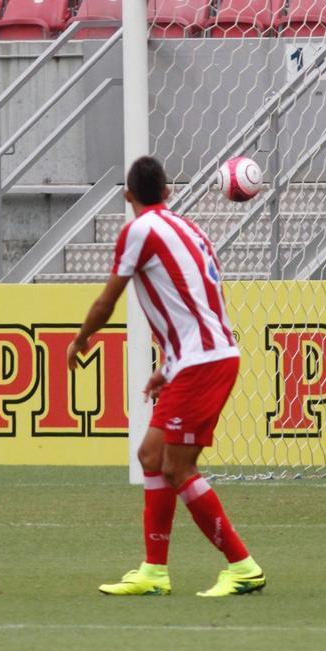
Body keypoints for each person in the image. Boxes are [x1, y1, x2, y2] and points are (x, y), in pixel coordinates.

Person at [68, 155, 265, 598]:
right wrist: (169, 366)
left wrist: (80, 339)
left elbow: (107, 300)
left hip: (203, 362)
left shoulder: (138, 231)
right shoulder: (190, 229)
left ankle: (243, 565)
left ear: (127, 196)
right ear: (169, 192)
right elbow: (199, 304)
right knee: (151, 456)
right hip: (201, 357)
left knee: (178, 467)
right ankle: (154, 571)